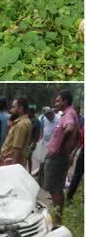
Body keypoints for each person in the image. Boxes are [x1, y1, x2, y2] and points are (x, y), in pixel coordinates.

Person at [42, 90, 80, 225]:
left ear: (65, 101)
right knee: (55, 188)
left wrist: (60, 146)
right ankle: (57, 215)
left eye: (58, 100)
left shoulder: (69, 114)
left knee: (55, 188)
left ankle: (57, 221)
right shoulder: (69, 114)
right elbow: (79, 136)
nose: (55, 103)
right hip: (60, 156)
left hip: (57, 157)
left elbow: (69, 129)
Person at [0, 97, 33, 166]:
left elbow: (17, 148)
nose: (11, 110)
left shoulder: (21, 124)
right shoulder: (25, 121)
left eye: (13, 107)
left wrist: (13, 167)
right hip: (13, 161)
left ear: (20, 108)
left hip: (11, 163)